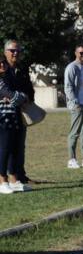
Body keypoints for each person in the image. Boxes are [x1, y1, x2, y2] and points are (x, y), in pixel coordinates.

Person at [4, 40, 34, 186]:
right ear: (5, 52)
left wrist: (28, 98)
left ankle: (19, 175)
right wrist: (19, 97)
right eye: (12, 50)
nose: (15, 53)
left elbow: (29, 88)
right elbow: (5, 92)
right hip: (6, 115)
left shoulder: (22, 69)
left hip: (21, 113)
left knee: (19, 145)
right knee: (7, 146)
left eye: (18, 51)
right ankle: (9, 177)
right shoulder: (2, 69)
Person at [0, 57, 27, 194]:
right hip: (2, 119)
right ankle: (2, 181)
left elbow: (18, 96)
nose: (2, 64)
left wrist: (16, 96)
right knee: (4, 150)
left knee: (13, 150)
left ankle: (13, 180)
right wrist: (17, 97)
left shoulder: (7, 79)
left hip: (12, 118)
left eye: (3, 62)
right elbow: (11, 95)